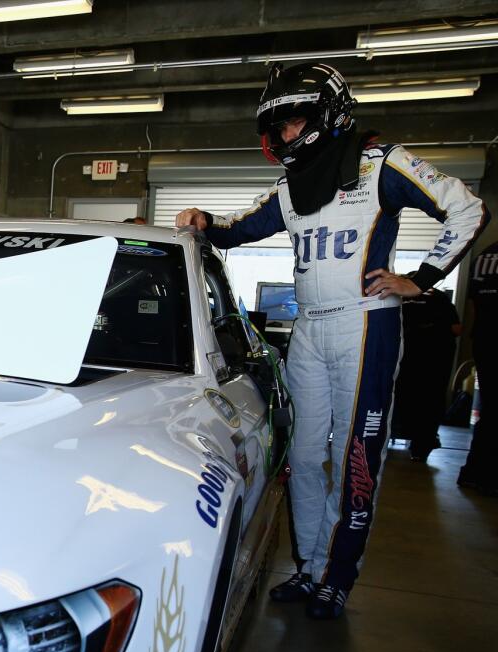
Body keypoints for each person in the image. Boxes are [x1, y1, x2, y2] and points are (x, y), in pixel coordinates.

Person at [175, 63, 489, 620]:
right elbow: (240, 227)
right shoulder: (291, 186)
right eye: (279, 128)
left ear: (325, 112)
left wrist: (421, 279)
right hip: (310, 328)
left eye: (293, 123)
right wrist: (202, 220)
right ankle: (309, 568)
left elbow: (466, 208)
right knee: (300, 453)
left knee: (354, 457)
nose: (285, 136)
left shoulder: (381, 162)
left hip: (367, 323)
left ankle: (337, 578)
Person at [392, 287, 460, 460]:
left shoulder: (399, 296)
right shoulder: (439, 298)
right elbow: (456, 329)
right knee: (431, 402)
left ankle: (387, 436)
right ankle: (421, 448)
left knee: (395, 397)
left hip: (402, 357)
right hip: (435, 360)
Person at [458, 240, 498, 494]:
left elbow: (473, 304)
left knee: (490, 408)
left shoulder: (484, 257)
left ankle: (475, 471)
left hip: (485, 338)